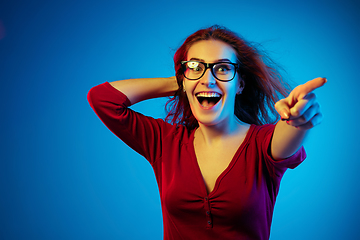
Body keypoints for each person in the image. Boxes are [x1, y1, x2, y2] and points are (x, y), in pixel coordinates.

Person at [87, 25, 326, 240]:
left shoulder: (263, 143)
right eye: (195, 67)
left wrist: (298, 119)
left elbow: (289, 130)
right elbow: (102, 99)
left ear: (239, 84)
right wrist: (182, 82)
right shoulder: (165, 142)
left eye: (222, 69)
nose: (208, 80)